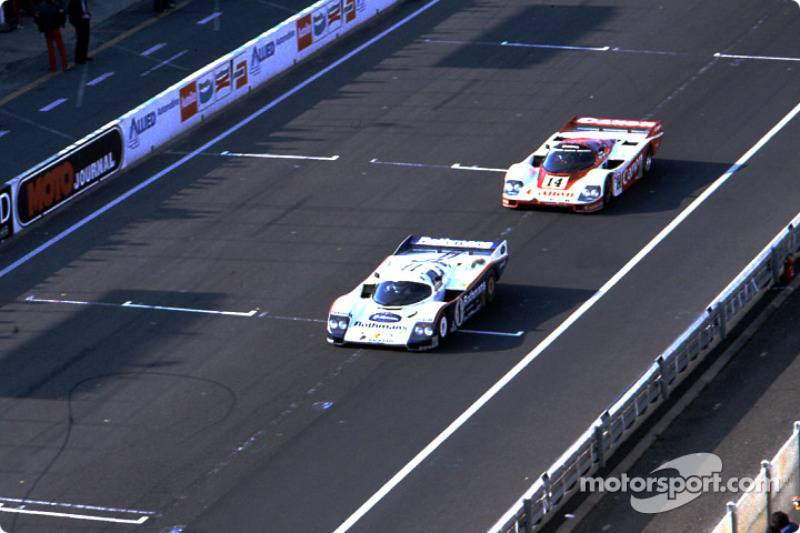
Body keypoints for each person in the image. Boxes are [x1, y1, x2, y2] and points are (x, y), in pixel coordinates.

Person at [34, 0, 69, 71]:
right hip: (56, 28)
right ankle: (65, 65)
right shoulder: (56, 5)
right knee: (61, 46)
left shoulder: (41, 7)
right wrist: (61, 23)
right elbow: (62, 14)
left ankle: (53, 66)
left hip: (47, 30)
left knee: (50, 48)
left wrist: (42, 26)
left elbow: (37, 17)